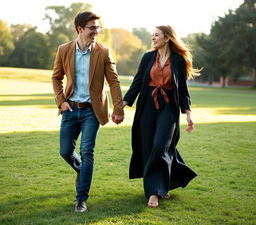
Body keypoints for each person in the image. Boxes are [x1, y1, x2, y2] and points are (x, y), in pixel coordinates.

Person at [52, 11, 124, 212]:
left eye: (98, 28)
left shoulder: (104, 52)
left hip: (92, 111)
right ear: (80, 29)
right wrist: (61, 102)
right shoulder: (64, 50)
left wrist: (118, 108)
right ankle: (82, 172)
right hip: (70, 108)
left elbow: (114, 81)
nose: (96, 31)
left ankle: (81, 199)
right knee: (65, 151)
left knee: (87, 152)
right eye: (92, 28)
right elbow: (56, 77)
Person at [123, 25, 200, 208]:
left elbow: (182, 89)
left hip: (169, 108)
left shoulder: (178, 60)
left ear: (167, 38)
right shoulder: (148, 57)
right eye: (153, 35)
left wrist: (188, 114)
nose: (153, 38)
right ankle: (162, 185)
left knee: (160, 146)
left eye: (156, 35)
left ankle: (154, 193)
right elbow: (137, 82)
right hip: (147, 106)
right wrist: (123, 105)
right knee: (152, 147)